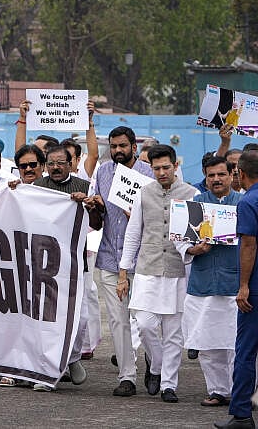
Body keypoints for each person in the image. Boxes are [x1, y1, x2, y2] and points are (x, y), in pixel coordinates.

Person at [117, 145, 197, 403]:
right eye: (157, 168)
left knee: (173, 333)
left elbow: (196, 234)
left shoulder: (192, 194)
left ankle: (168, 385)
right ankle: (156, 365)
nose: (161, 172)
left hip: (178, 270)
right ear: (151, 168)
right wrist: (123, 273)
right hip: (147, 268)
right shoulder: (143, 193)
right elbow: (132, 234)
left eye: (166, 167)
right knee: (145, 324)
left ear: (175, 166)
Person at [85, 125, 154, 396]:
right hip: (109, 258)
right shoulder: (103, 172)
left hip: (143, 260)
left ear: (134, 147)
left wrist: (136, 217)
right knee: (117, 320)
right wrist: (95, 208)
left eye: (122, 146)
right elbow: (97, 223)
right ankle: (127, 376)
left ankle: (155, 365)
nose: (117, 151)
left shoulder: (149, 174)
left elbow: (159, 220)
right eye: (113, 146)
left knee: (147, 321)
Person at [184, 155, 243, 408]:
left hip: (235, 284)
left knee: (236, 344)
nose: (216, 179)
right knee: (206, 342)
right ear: (205, 178)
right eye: (211, 175)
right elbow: (180, 241)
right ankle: (217, 390)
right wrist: (193, 249)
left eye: (221, 174)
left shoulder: (243, 203)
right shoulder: (195, 204)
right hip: (203, 283)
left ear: (232, 175)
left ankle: (241, 391)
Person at [219, 149, 258, 429]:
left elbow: (248, 245)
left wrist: (243, 285)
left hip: (255, 289)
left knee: (245, 352)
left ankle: (242, 414)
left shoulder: (248, 202)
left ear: (240, 173)